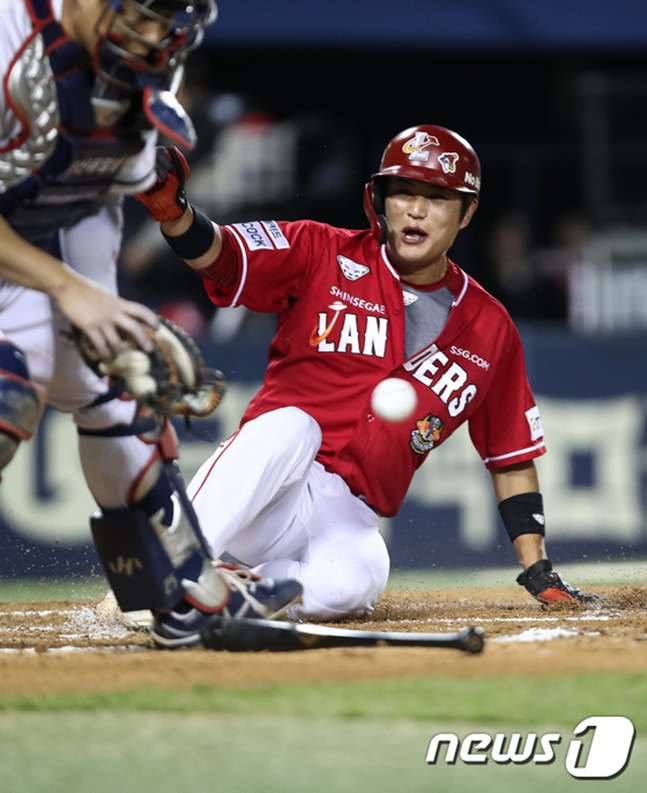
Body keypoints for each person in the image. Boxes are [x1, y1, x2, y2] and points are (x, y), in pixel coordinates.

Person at [134, 124, 599, 622]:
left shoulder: (490, 328)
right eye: (403, 192)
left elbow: (510, 455)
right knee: (292, 426)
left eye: (438, 197)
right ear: (379, 199)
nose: (416, 209)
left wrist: (538, 567)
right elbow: (222, 256)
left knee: (349, 586)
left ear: (467, 212)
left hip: (350, 510)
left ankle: (241, 592)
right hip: (271, 486)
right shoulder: (319, 250)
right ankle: (168, 572)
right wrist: (173, 212)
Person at [0, 0, 302, 649]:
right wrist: (69, 291)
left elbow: (90, 207)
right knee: (7, 393)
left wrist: (107, 317)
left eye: (166, 19)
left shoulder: (133, 97)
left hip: (16, 264)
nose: (153, 33)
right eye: (141, 11)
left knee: (124, 401)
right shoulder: (7, 38)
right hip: (21, 266)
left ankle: (182, 593)